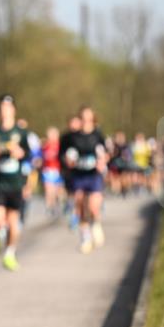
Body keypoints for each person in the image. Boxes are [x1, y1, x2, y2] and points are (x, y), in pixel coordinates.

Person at [0, 95, 31, 271]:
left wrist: (21, 154)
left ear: (14, 110)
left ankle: (10, 254)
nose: (5, 111)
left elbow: (29, 157)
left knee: (13, 223)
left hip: (16, 183)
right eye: (2, 108)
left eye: (8, 107)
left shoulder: (22, 132)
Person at [61, 106, 108, 254]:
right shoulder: (71, 137)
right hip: (78, 175)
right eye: (83, 118)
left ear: (93, 119)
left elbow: (106, 153)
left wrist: (102, 161)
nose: (86, 121)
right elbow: (63, 155)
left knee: (93, 206)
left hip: (94, 175)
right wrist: (67, 160)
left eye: (89, 118)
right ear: (79, 119)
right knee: (80, 206)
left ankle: (96, 225)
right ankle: (85, 239)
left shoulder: (98, 135)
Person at [40, 127, 64, 217]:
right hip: (48, 171)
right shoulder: (44, 146)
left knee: (58, 191)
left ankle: (58, 203)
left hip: (58, 171)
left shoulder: (60, 145)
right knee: (49, 190)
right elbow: (39, 157)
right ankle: (49, 206)